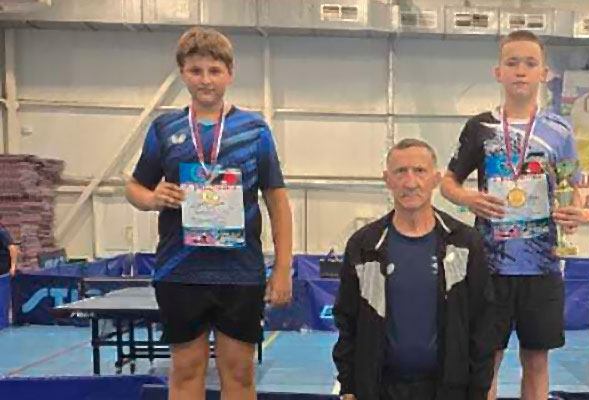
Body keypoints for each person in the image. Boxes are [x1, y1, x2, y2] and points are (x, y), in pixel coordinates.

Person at [125, 27, 293, 400]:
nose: (205, 80)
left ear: (229, 73)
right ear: (183, 73)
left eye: (214, 71)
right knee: (186, 370)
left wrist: (283, 268)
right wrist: (152, 198)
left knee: (240, 373)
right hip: (179, 271)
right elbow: (134, 187)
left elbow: (277, 200)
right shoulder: (164, 128)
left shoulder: (254, 130)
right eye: (196, 70)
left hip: (241, 272)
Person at [440, 30, 583, 400]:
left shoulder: (559, 130)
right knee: (487, 360)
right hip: (490, 265)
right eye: (512, 62)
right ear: (498, 72)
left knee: (536, 360)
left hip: (543, 265)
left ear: (544, 73)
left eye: (530, 63)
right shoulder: (479, 127)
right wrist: (468, 199)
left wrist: (572, 211)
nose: (521, 70)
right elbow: (448, 183)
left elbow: (571, 186)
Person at [332, 139, 495, 400]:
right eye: (400, 172)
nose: (410, 183)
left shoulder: (465, 243)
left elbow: (483, 324)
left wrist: (479, 390)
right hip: (379, 390)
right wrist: (349, 387)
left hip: (448, 390)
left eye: (419, 171)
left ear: (435, 179)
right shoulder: (364, 245)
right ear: (387, 179)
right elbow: (347, 321)